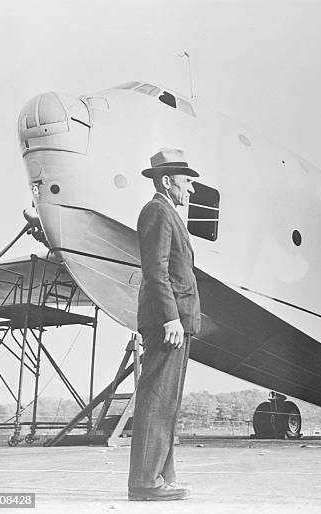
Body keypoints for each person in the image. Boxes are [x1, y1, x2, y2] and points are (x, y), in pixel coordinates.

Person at [127, 148, 201, 501]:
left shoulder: (168, 212)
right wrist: (171, 316)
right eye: (187, 182)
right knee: (157, 399)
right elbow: (155, 269)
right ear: (167, 181)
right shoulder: (157, 211)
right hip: (167, 321)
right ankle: (145, 481)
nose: (191, 190)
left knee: (166, 402)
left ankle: (160, 478)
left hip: (177, 320)